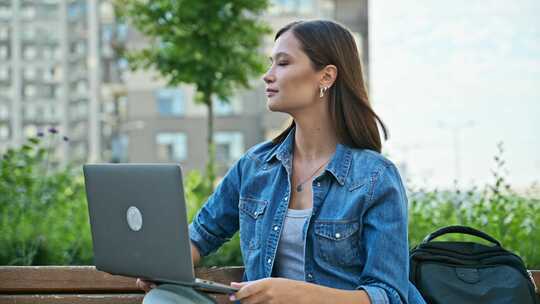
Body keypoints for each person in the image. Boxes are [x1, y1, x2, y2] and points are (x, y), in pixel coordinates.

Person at [138, 20, 426, 304]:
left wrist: (297, 295)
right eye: (270, 63)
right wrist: (162, 267)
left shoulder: (375, 177)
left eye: (283, 63)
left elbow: (388, 295)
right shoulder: (254, 167)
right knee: (162, 299)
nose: (268, 75)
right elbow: (199, 237)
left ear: (326, 76)